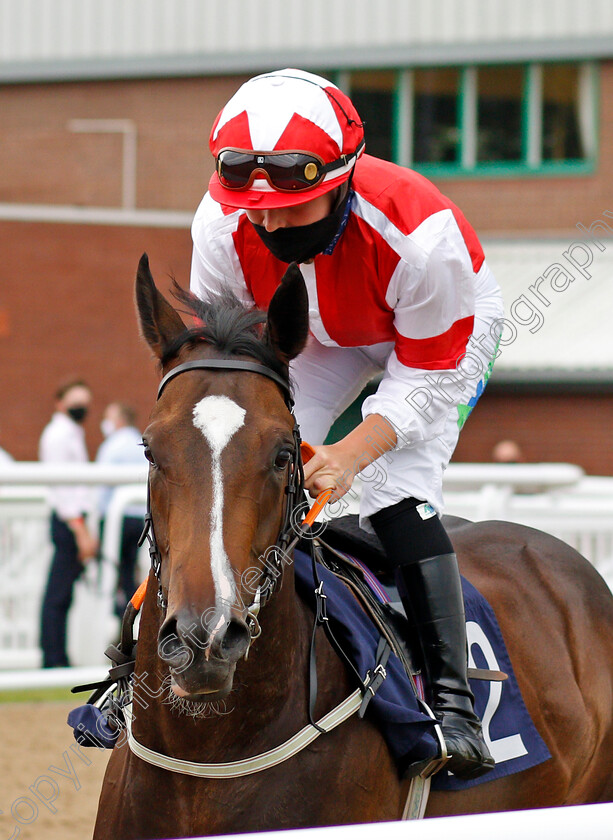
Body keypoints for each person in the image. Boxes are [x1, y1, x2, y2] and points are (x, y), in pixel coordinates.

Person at [190, 69, 504, 779]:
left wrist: (355, 450)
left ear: (340, 178)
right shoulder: (219, 223)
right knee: (249, 457)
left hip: (435, 344)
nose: (266, 224)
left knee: (392, 487)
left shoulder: (422, 238)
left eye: (289, 209)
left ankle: (453, 705)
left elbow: (431, 371)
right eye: (254, 210)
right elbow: (225, 352)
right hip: (322, 335)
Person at [39, 379, 98, 668]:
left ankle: (56, 656)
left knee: (63, 594)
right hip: (69, 522)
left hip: (75, 521)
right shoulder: (59, 435)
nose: (81, 408)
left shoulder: (71, 433)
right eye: (76, 402)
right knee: (58, 595)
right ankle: (53, 659)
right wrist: (80, 530)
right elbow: (63, 490)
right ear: (60, 403)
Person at [96, 402, 146, 618]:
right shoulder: (143, 443)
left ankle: (119, 615)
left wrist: (97, 518)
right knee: (131, 569)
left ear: (119, 420)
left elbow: (101, 485)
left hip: (116, 517)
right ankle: (131, 613)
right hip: (141, 519)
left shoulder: (112, 446)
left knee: (113, 569)